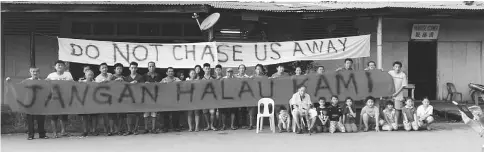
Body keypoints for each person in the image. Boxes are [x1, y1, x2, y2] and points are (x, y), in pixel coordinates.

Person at [6, 67, 48, 140]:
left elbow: (47, 91)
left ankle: (42, 134)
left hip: (40, 103)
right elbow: (18, 87)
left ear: (39, 73)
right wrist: (10, 82)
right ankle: (30, 135)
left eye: (37, 71)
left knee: (41, 119)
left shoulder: (43, 82)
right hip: (29, 103)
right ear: (30, 73)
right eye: (33, 71)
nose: (35, 73)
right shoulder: (26, 81)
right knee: (30, 120)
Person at [45, 60, 74, 138]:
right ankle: (55, 132)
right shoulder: (51, 75)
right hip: (54, 98)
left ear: (64, 67)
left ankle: (63, 131)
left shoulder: (68, 74)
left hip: (65, 98)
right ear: (55, 67)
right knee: (54, 116)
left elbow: (72, 83)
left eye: (61, 65)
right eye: (58, 65)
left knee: (64, 116)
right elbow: (45, 84)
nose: (60, 66)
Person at [124, 62, 145, 136]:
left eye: (135, 68)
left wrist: (138, 83)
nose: (133, 69)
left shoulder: (140, 77)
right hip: (129, 98)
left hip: (138, 97)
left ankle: (135, 130)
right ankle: (129, 130)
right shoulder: (126, 78)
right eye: (132, 67)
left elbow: (144, 87)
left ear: (137, 68)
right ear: (129, 68)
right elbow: (124, 88)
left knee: (137, 114)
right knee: (129, 114)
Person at [94, 63, 113, 136]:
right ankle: (106, 130)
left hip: (111, 97)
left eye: (105, 67)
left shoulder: (110, 75)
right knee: (105, 115)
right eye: (102, 68)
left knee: (111, 115)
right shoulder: (97, 78)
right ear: (100, 69)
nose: (104, 69)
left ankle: (112, 130)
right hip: (102, 98)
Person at [160, 67, 182, 132]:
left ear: (174, 72)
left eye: (172, 71)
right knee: (165, 114)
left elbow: (182, 85)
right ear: (166, 73)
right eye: (169, 71)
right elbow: (159, 87)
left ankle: (176, 127)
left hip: (175, 99)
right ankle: (165, 127)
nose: (171, 72)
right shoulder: (163, 80)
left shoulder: (177, 79)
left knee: (176, 114)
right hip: (166, 99)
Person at [143, 61, 162, 134]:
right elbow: (140, 86)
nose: (151, 68)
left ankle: (153, 128)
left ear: (155, 67)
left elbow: (162, 85)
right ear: (148, 67)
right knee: (146, 113)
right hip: (146, 97)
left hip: (155, 97)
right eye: (150, 66)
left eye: (153, 66)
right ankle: (146, 128)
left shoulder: (159, 76)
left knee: (154, 113)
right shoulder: (144, 76)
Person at [388, 61, 408, 128]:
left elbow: (403, 86)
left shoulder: (403, 75)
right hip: (390, 93)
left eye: (399, 67)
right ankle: (390, 123)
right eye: (396, 66)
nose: (397, 68)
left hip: (399, 94)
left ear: (401, 68)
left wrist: (396, 93)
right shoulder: (390, 73)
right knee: (389, 108)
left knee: (397, 109)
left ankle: (396, 123)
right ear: (393, 67)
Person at [199, 63, 217, 131]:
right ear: (203, 69)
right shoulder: (200, 78)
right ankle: (208, 125)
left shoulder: (214, 77)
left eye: (208, 68)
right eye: (206, 68)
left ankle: (212, 125)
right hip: (204, 98)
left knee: (212, 112)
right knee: (205, 112)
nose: (207, 70)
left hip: (212, 98)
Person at [78, 70, 95, 137]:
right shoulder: (81, 82)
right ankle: (85, 131)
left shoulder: (95, 83)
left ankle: (93, 130)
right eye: (89, 75)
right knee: (84, 117)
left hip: (93, 102)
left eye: (91, 75)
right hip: (84, 102)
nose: (90, 76)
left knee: (93, 117)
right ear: (85, 76)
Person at [111, 63, 126, 135]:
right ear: (114, 70)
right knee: (113, 115)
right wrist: (115, 81)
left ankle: (120, 130)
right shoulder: (111, 77)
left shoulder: (124, 77)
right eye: (118, 69)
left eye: (120, 69)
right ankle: (113, 130)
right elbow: (107, 84)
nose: (119, 70)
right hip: (113, 98)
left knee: (121, 115)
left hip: (122, 98)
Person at [236, 64, 252, 130]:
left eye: (243, 68)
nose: (242, 69)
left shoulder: (247, 77)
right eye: (240, 68)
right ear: (238, 69)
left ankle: (243, 124)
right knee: (236, 110)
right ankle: (236, 124)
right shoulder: (234, 76)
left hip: (244, 95)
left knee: (243, 110)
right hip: (236, 95)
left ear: (245, 70)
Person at [214, 64, 225, 130]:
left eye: (219, 70)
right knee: (215, 112)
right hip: (215, 97)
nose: (218, 71)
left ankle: (223, 125)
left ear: (221, 70)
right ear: (215, 71)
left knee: (222, 111)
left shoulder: (224, 77)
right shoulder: (213, 78)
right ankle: (217, 124)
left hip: (223, 96)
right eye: (217, 70)